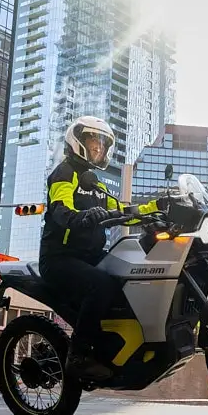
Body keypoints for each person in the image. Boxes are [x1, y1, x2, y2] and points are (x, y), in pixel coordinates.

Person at [40, 116, 159, 381]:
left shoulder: (96, 183)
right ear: (79, 140)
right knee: (101, 284)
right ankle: (78, 356)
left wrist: (157, 207)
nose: (99, 147)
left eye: (103, 144)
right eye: (94, 141)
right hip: (60, 258)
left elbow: (123, 210)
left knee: (126, 276)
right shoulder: (65, 171)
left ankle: (113, 347)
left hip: (91, 257)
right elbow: (60, 208)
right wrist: (82, 217)